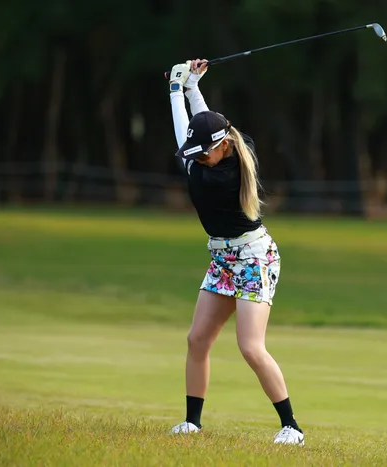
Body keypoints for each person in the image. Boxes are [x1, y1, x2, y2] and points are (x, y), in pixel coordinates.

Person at [166, 59, 304, 446]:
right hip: (223, 259)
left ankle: (292, 427)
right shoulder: (237, 150)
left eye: (202, 153)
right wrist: (193, 87)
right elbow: (204, 128)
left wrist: (175, 91)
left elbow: (185, 135)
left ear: (222, 147)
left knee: (250, 347)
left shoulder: (215, 178)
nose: (196, 157)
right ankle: (192, 423)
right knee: (197, 339)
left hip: (254, 259)